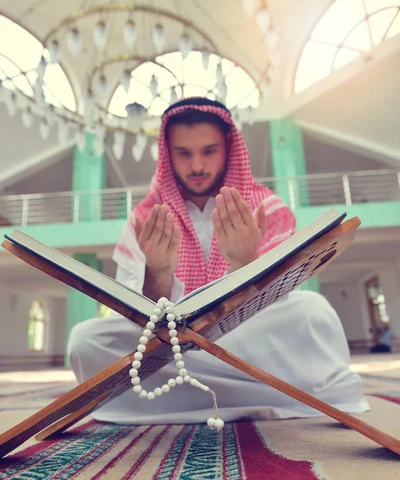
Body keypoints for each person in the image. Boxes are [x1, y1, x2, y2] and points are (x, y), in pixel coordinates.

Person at [68, 97, 368, 424]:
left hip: (245, 339)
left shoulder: (265, 208)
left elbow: (280, 301)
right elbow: (135, 315)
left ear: (228, 149)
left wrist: (246, 262)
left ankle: (174, 397)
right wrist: (158, 272)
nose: (197, 165)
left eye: (209, 151)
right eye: (184, 153)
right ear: (168, 156)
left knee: (313, 313)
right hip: (169, 346)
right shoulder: (145, 219)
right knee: (85, 340)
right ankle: (264, 392)